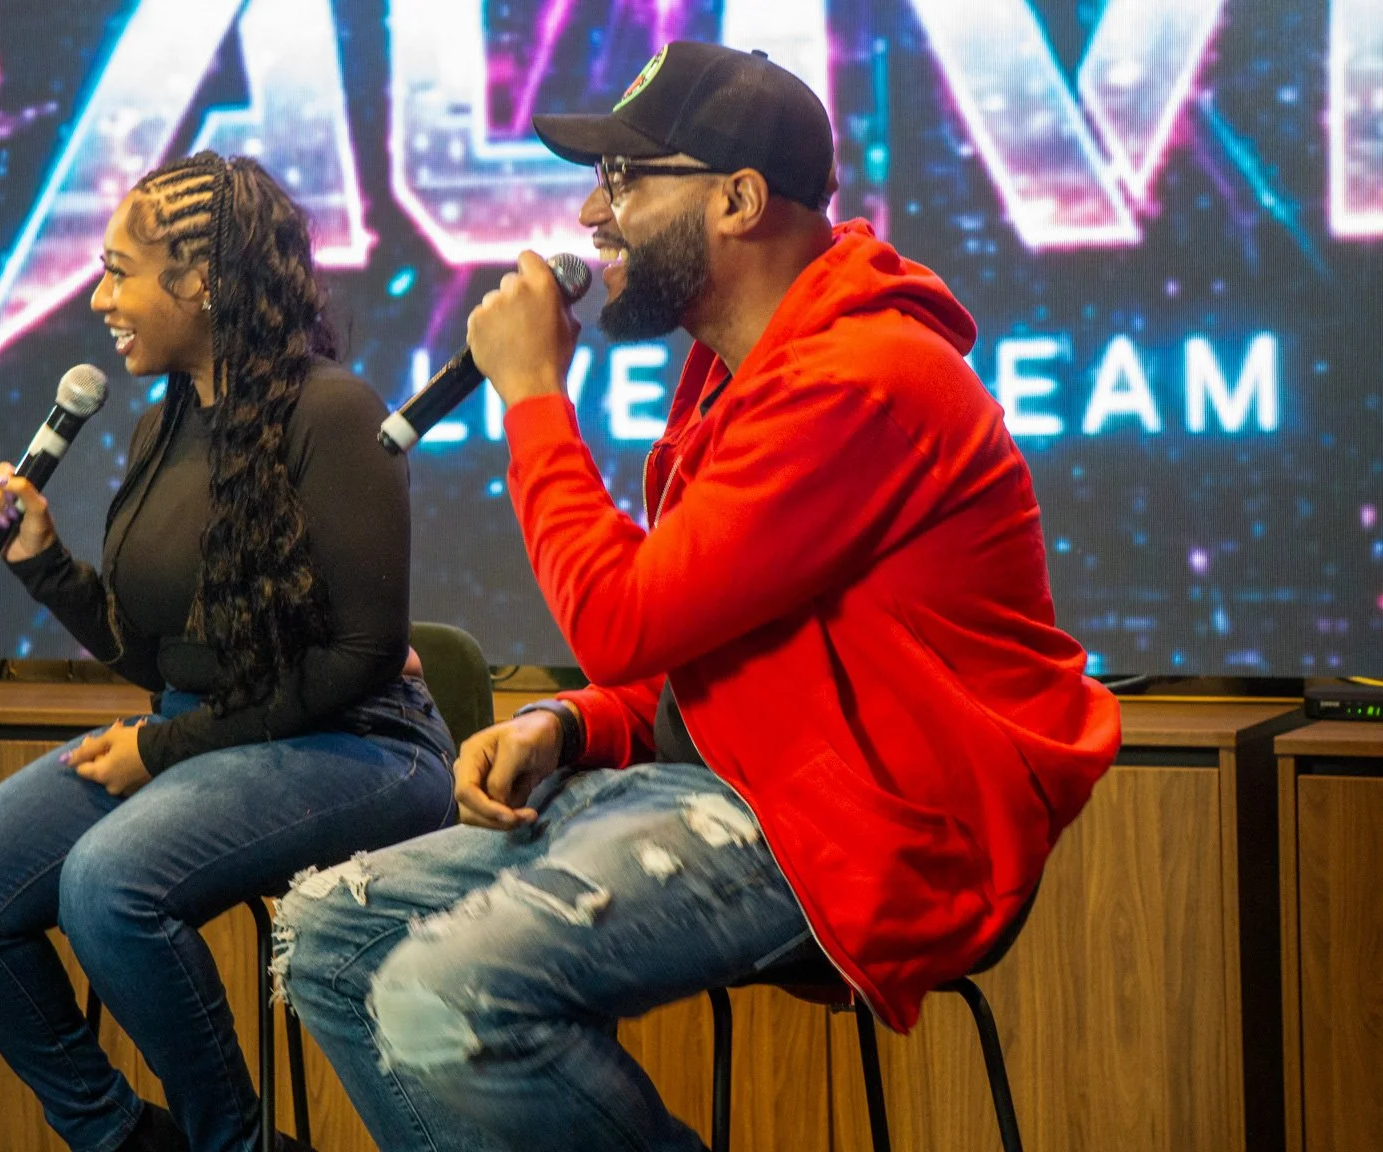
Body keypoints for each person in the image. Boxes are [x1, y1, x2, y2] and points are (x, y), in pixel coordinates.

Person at [273, 41, 1123, 1151]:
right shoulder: (740, 375)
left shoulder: (859, 377)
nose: (590, 212)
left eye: (624, 179)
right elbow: (711, 652)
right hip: (727, 786)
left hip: (858, 831)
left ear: (736, 199)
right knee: (330, 938)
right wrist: (573, 719)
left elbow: (621, 616)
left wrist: (532, 396)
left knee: (445, 993)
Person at [0, 151, 457, 1152]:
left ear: (198, 280)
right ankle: (119, 1139)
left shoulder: (332, 412)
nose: (99, 295)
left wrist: (164, 751)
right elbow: (160, 660)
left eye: (119, 270)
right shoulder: (162, 427)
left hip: (364, 744)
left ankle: (228, 1144)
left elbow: (365, 655)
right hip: (213, 735)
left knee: (108, 885)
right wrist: (42, 563)